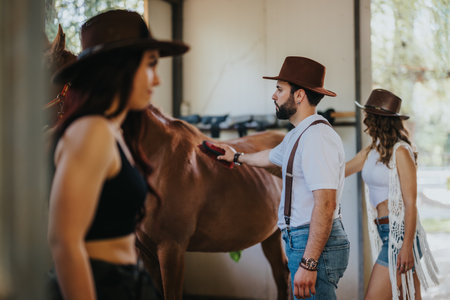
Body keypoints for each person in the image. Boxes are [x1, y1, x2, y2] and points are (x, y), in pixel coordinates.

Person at [47, 10, 189, 300]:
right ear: (119, 68)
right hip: (105, 285)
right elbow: (64, 242)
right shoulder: (91, 131)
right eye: (150, 65)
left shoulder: (111, 129)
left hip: (126, 283)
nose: (157, 79)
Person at [216, 56, 349, 299]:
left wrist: (309, 264)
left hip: (313, 242)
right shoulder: (298, 135)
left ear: (299, 95)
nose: (274, 96)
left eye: (279, 89)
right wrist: (237, 157)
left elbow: (326, 204)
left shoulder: (317, 138)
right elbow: (270, 157)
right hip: (302, 239)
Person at [346, 89, 439, 299]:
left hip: (400, 236)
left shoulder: (401, 151)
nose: (365, 119)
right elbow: (341, 171)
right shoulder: (371, 151)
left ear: (378, 120)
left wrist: (406, 247)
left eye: (368, 115)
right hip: (384, 231)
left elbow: (410, 203)